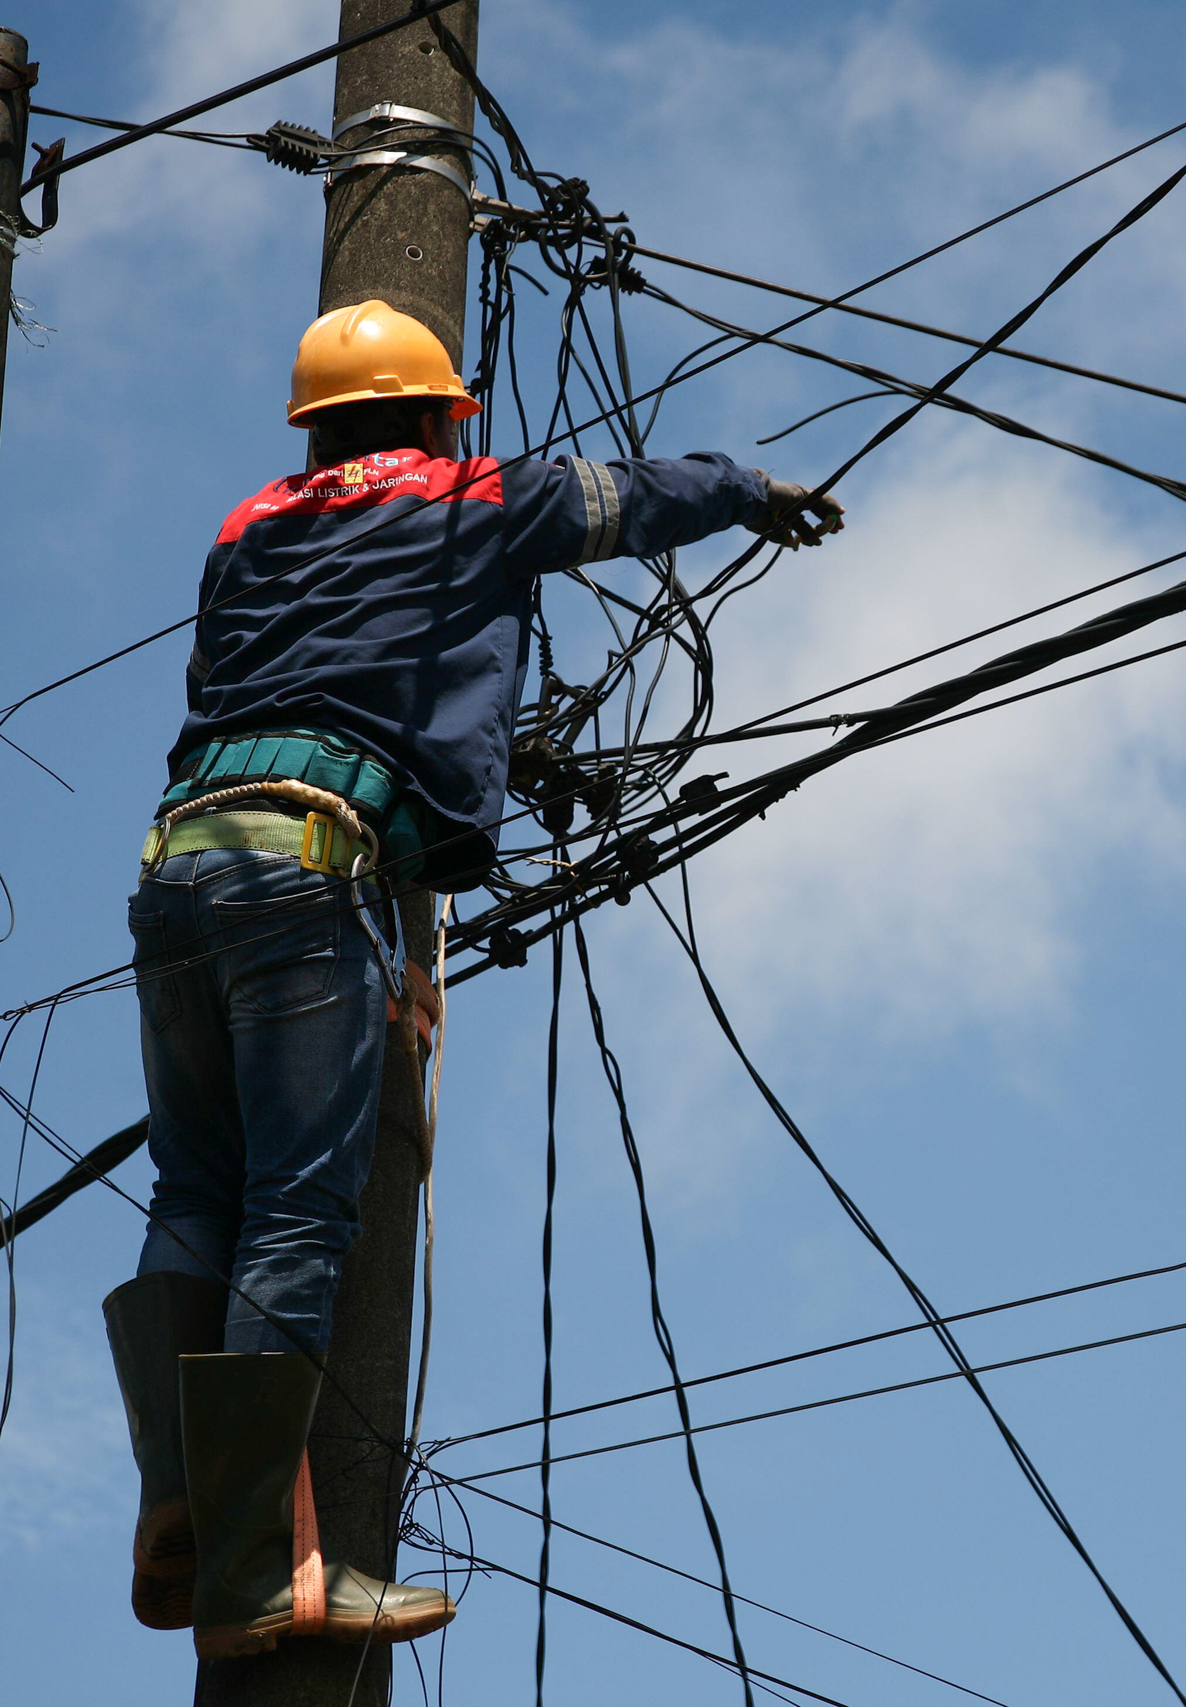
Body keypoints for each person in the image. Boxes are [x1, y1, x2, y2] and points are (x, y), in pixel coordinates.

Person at [99, 299, 844, 1658]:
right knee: (296, 1219)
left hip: (178, 868)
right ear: (444, 409)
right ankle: (253, 1573)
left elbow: (221, 673)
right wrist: (752, 489)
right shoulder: (472, 495)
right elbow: (629, 499)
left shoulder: (245, 527)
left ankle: (181, 1505)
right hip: (308, 868)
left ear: (316, 424)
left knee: (195, 1190)